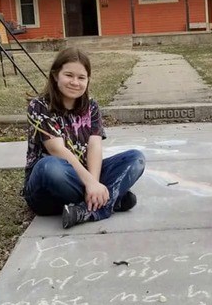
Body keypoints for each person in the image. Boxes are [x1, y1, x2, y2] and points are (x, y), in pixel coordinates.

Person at [23, 48, 145, 229]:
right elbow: (57, 149)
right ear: (56, 76)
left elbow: (94, 146)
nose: (75, 82)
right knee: (49, 167)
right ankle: (111, 199)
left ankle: (87, 209)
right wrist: (90, 183)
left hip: (83, 175)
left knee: (135, 158)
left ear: (87, 80)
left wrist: (94, 183)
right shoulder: (39, 106)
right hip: (49, 187)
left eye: (81, 77)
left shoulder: (91, 106)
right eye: (69, 75)